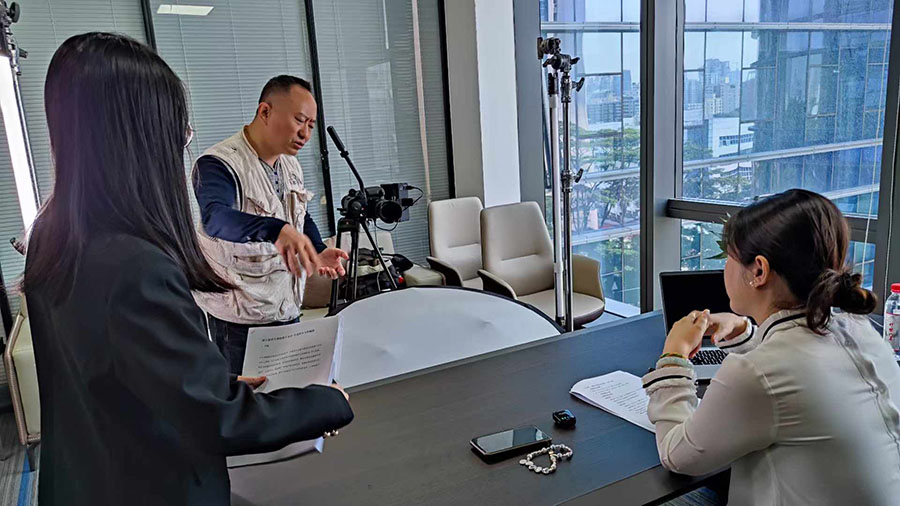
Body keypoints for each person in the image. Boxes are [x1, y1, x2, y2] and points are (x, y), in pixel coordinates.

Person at [24, 33, 353, 505]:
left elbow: (110, 371)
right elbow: (217, 420)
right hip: (151, 486)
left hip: (88, 475)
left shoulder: (50, 234)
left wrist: (206, 383)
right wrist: (326, 403)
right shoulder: (140, 263)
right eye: (178, 130)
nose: (305, 131)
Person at [642, 189, 900, 505]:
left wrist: (673, 356)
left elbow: (678, 455)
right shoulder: (860, 329)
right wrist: (744, 332)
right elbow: (791, 370)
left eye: (730, 257)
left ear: (759, 271)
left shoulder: (756, 372)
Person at [192, 74, 347, 374]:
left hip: (286, 306)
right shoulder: (218, 163)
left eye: (311, 125)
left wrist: (317, 250)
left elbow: (300, 214)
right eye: (299, 120)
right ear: (265, 111)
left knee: (289, 394)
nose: (305, 133)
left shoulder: (290, 164)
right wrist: (276, 230)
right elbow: (215, 219)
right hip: (240, 321)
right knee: (249, 401)